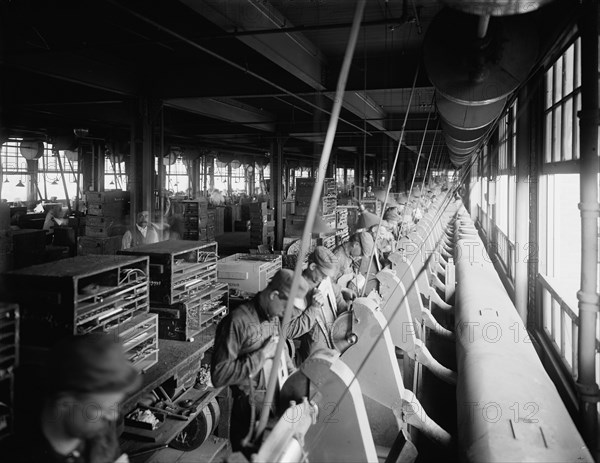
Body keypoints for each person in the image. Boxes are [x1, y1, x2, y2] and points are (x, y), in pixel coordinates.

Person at [211, 269, 309, 456]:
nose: (283, 315)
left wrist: (297, 382)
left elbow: (282, 354)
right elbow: (219, 375)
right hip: (250, 413)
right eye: (284, 309)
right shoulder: (237, 322)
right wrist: (261, 356)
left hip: (276, 404)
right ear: (273, 295)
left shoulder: (273, 317)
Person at [4, 333, 141, 463]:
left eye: (116, 404)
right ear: (65, 403)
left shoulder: (97, 424)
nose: (113, 416)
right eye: (102, 409)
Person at [285, 246, 353, 364]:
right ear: (312, 267)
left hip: (337, 346)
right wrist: (313, 308)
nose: (326, 278)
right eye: (323, 274)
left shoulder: (325, 279)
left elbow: (339, 301)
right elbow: (289, 330)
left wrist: (348, 312)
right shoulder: (297, 289)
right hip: (314, 357)